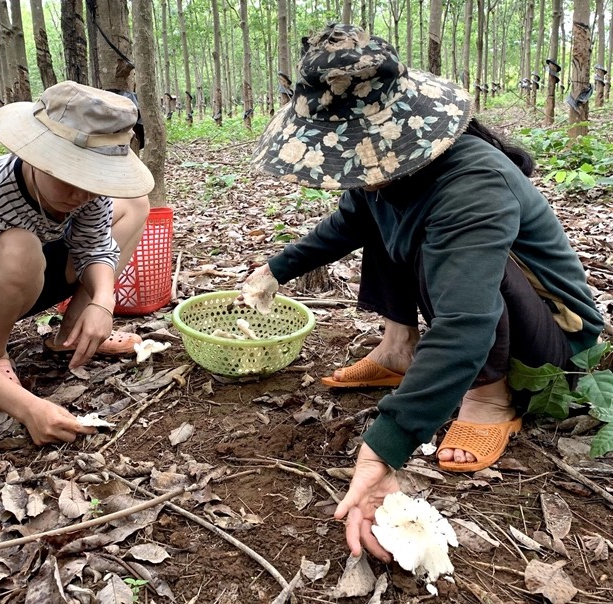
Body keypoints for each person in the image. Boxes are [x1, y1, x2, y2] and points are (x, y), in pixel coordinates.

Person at [246, 24, 603, 561]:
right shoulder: (380, 172)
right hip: (475, 306)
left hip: (550, 332)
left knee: (462, 262)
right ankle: (397, 350)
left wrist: (387, 444)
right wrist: (274, 270)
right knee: (383, 222)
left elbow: (465, 320)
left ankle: (490, 396)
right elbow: (346, 225)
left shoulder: (473, 185)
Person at [0, 81, 154, 446]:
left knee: (134, 204)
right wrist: (30, 409)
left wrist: (104, 301)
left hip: (33, 273)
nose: (84, 193)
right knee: (18, 246)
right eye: (72, 176)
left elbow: (94, 246)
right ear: (35, 155)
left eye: (95, 179)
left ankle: (73, 335)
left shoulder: (88, 190)